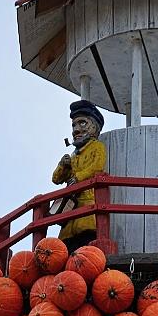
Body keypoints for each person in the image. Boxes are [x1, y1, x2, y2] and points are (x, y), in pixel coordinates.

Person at [52, 100, 107, 249]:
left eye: (82, 123)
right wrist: (62, 166)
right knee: (67, 243)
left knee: (85, 237)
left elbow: (97, 166)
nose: (76, 129)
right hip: (71, 206)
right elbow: (56, 179)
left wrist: (78, 177)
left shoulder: (97, 146)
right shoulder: (74, 155)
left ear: (94, 127)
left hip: (87, 203)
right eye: (74, 125)